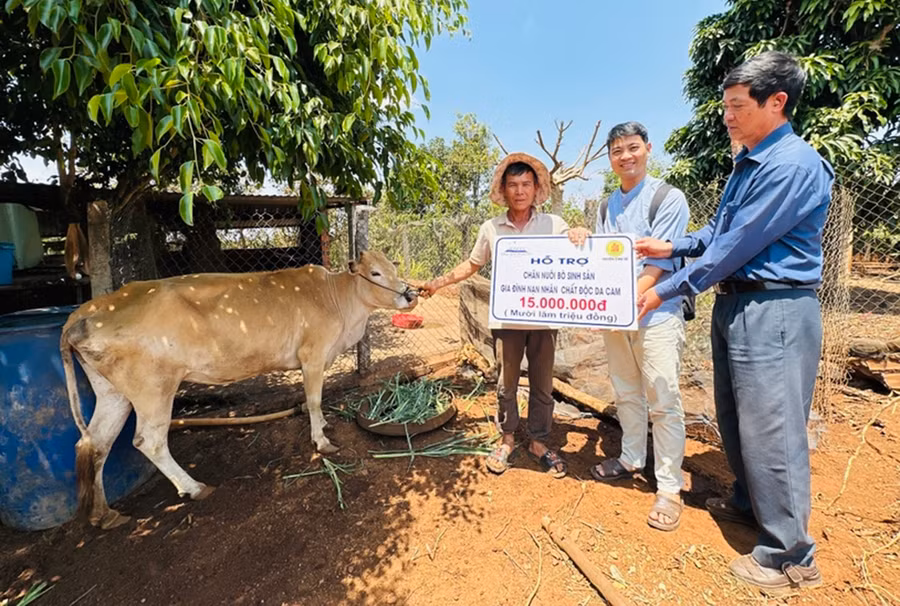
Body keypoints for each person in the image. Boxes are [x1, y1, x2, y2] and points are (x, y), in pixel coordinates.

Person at [635, 51, 833, 593]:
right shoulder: (750, 160)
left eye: (737, 106)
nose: (727, 115)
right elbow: (721, 232)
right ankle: (750, 503)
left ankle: (790, 556)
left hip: (774, 308)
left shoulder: (792, 166)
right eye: (724, 105)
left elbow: (735, 248)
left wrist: (667, 287)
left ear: (777, 102)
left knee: (773, 427)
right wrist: (674, 244)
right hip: (738, 305)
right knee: (738, 415)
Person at [423, 153, 583, 478]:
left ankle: (538, 441)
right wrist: (438, 283)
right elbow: (472, 264)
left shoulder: (554, 225)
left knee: (542, 383)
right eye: (513, 185)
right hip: (507, 321)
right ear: (504, 190)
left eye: (526, 184)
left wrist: (580, 233)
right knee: (506, 382)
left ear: (536, 188)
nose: (520, 191)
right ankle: (507, 438)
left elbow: (577, 250)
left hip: (544, 320)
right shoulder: (491, 228)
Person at [579, 122, 691, 532]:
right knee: (626, 391)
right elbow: (602, 259)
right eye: (616, 151)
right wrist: (599, 304)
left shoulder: (668, 198)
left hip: (656, 313)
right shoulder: (608, 204)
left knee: (662, 396)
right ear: (609, 159)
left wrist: (621, 302)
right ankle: (630, 458)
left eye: (632, 148)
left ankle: (668, 487)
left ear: (648, 149)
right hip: (617, 315)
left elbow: (659, 266)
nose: (625, 156)